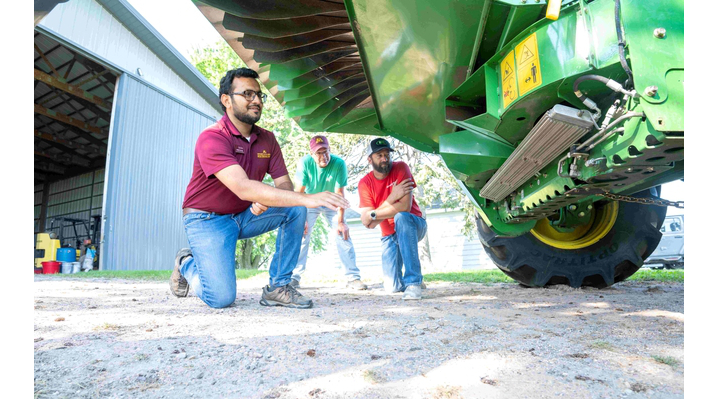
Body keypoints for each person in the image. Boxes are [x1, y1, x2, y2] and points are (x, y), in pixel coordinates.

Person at [171, 67, 350, 309]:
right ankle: (186, 262)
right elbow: (244, 188)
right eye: (247, 94)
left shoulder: (267, 139)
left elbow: (283, 184)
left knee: (294, 206)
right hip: (207, 219)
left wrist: (275, 198)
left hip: (245, 215)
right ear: (226, 100)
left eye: (258, 95)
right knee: (221, 298)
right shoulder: (212, 137)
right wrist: (307, 198)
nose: (256, 100)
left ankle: (278, 287)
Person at [290, 135, 367, 290]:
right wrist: (301, 219)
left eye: (326, 151)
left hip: (332, 201)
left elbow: (339, 194)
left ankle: (353, 278)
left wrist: (341, 222)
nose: (323, 156)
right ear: (312, 154)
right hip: (310, 200)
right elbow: (299, 194)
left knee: (342, 233)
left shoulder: (339, 163)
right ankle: (294, 277)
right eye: (319, 153)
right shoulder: (305, 163)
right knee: (301, 233)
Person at [357, 138, 427, 300]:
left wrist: (374, 214)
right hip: (389, 235)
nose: (384, 158)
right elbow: (367, 223)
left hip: (414, 224)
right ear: (370, 159)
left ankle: (414, 283)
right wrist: (392, 197)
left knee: (401, 217)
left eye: (387, 154)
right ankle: (404, 282)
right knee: (392, 287)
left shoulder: (401, 168)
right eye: (379, 155)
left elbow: (404, 207)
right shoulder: (365, 184)